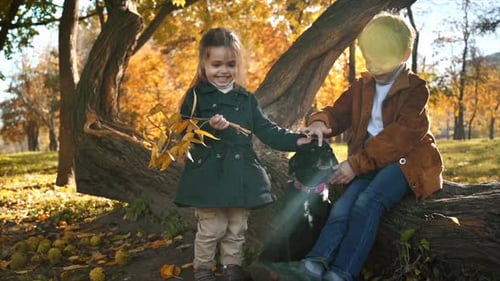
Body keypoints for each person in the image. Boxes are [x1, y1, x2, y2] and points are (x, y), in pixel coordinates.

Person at [297, 12, 444, 281]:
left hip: (405, 161)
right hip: (369, 158)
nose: (374, 66)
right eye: (369, 58)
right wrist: (319, 121)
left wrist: (355, 164)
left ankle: (342, 272)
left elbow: (400, 138)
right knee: (343, 206)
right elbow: (337, 113)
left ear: (404, 55)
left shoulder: (416, 89)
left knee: (367, 203)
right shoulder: (362, 86)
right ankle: (317, 260)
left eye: (381, 59)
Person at [174, 27, 310, 281]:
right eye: (216, 64)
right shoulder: (196, 97)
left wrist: (297, 140)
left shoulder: (246, 99)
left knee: (237, 226)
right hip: (209, 174)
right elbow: (183, 131)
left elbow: (267, 129)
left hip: (240, 173)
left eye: (230, 64)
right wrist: (207, 126)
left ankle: (231, 268)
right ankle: (202, 270)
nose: (223, 71)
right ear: (203, 64)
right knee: (213, 227)